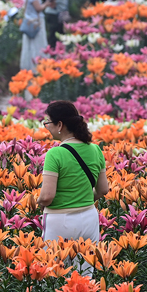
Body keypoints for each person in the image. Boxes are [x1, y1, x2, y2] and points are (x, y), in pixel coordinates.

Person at [37, 101, 110, 254]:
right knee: (86, 273)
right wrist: (82, 198)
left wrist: (37, 202)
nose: (47, 126)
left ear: (60, 125)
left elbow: (47, 197)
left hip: (60, 220)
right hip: (89, 217)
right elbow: (103, 189)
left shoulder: (55, 153)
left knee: (54, 272)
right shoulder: (95, 149)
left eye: (47, 122)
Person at [19, 0, 50, 73]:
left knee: (29, 44)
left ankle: (29, 65)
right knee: (38, 44)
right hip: (36, 23)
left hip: (29, 22)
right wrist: (47, 4)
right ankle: (37, 66)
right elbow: (38, 9)